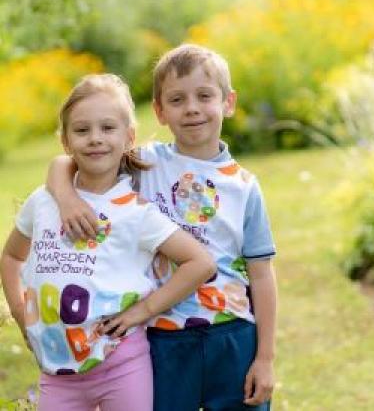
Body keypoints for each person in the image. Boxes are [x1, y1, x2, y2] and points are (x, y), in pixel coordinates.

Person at [47, 44, 277, 410]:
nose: (192, 108)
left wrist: (264, 359)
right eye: (177, 99)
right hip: (161, 336)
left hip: (232, 336)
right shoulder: (144, 164)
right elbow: (65, 161)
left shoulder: (245, 186)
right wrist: (66, 197)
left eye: (205, 96)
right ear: (159, 111)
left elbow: (261, 275)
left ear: (228, 102)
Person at [0, 73, 215, 411]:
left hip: (122, 363)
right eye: (82, 130)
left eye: (107, 128)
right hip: (56, 372)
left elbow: (200, 263)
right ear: (66, 142)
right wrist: (18, 308)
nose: (95, 139)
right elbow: (12, 256)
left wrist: (142, 311)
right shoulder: (43, 202)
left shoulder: (136, 212)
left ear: (129, 137)